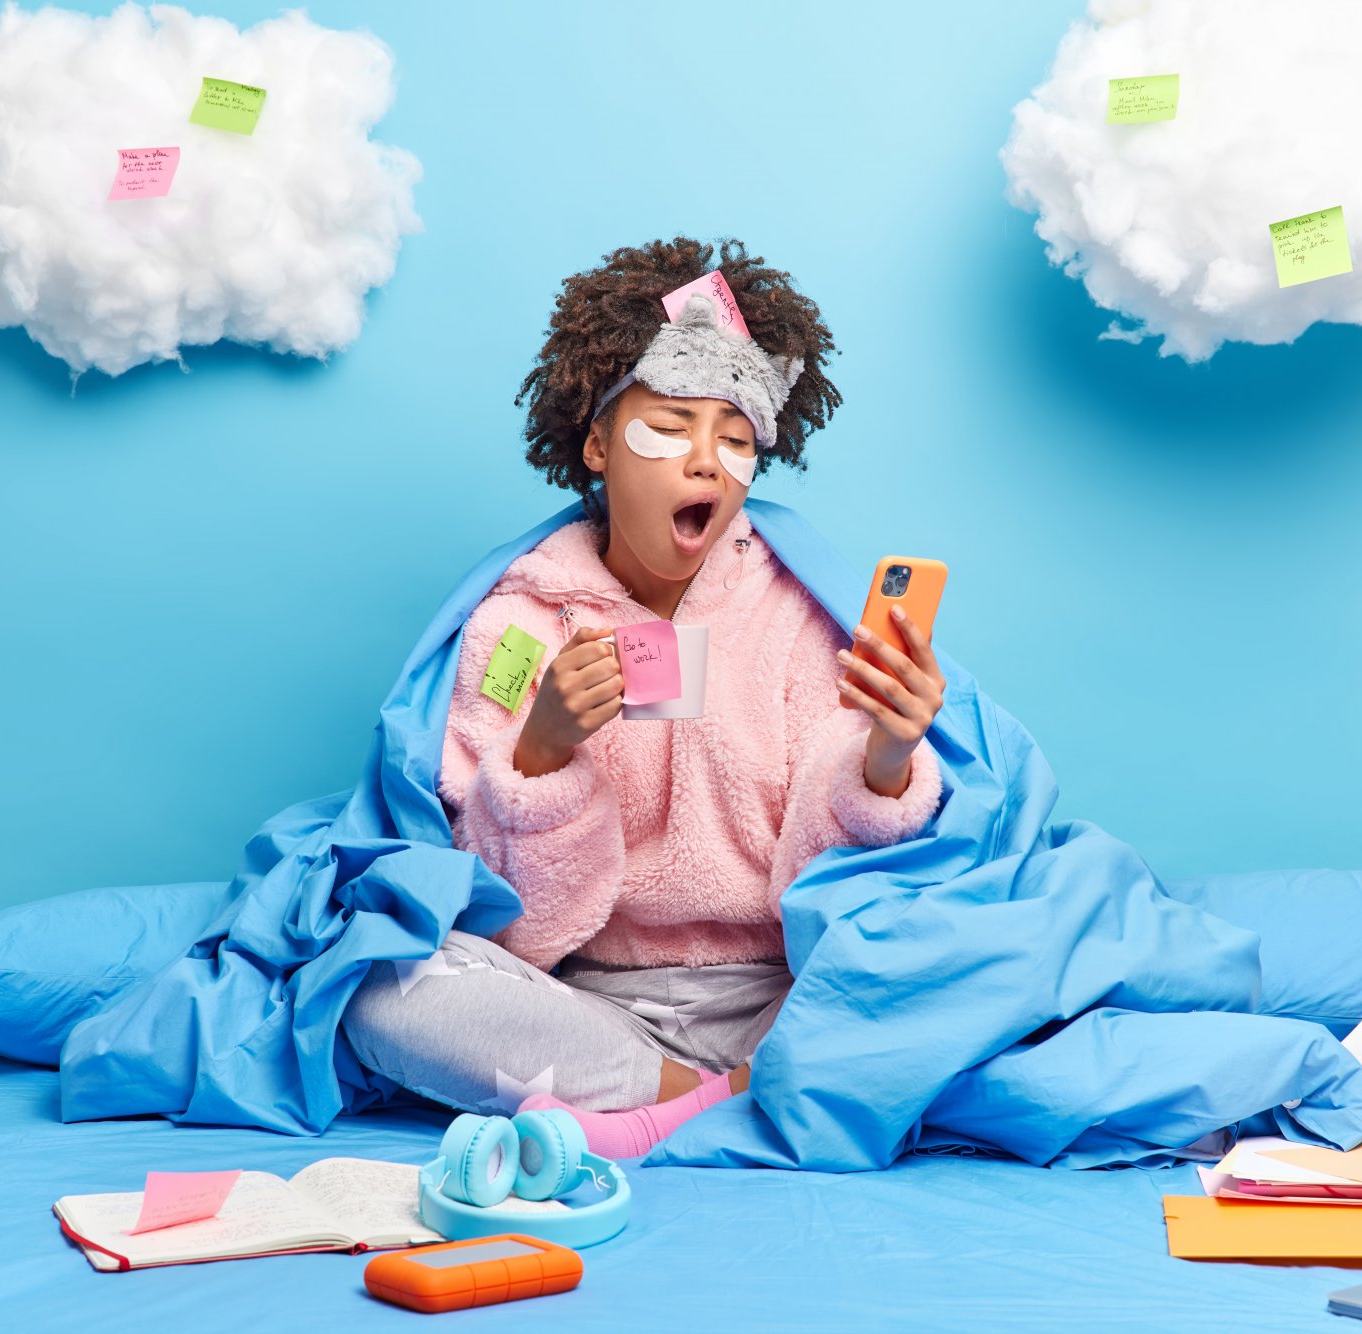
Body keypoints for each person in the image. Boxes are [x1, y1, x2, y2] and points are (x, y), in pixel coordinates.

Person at [341, 237, 947, 1158]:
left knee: (966, 974)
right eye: (670, 427)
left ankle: (695, 1102)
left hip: (782, 1003)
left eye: (737, 440)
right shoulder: (518, 628)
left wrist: (888, 759)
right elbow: (512, 927)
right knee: (379, 989)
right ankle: (708, 1102)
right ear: (595, 444)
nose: (708, 461)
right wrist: (542, 750)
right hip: (591, 1009)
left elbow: (842, 889)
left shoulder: (791, 610)